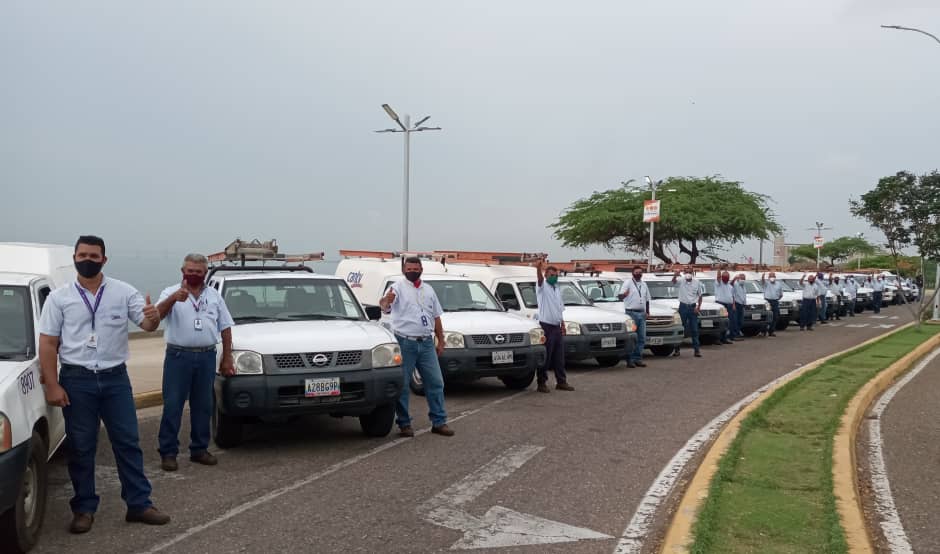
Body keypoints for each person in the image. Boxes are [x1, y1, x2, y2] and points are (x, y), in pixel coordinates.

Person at [37, 236, 171, 534]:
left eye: (94, 255)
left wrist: (154, 315)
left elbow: (148, 325)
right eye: (83, 254)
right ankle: (84, 509)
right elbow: (47, 343)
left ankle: (139, 504)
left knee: (127, 442)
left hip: (115, 380)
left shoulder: (123, 292)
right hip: (76, 380)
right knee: (81, 447)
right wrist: (52, 385)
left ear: (104, 260)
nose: (88, 259)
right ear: (74, 257)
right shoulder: (59, 298)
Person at [154, 254, 235, 471]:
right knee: (173, 405)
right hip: (178, 357)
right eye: (189, 271)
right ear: (182, 271)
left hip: (207, 356)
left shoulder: (215, 296)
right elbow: (155, 317)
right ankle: (168, 453)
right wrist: (173, 299)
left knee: (203, 406)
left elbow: (226, 328)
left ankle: (199, 449)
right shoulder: (170, 292)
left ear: (205, 273)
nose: (194, 275)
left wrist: (226, 357)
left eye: (198, 272)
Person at [379, 256, 454, 436]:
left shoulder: (429, 290)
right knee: (403, 386)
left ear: (421, 269)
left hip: (426, 343)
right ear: (404, 270)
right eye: (409, 269)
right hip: (405, 342)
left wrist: (441, 340)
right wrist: (386, 301)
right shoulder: (397, 287)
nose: (412, 271)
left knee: (436, 382)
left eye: (415, 268)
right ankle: (404, 424)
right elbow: (385, 305)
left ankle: (439, 422)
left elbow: (436, 317)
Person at [534, 260, 575, 391]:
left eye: (556, 275)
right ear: (546, 275)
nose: (554, 277)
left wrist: (562, 323)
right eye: (551, 275)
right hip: (546, 326)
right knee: (546, 356)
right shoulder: (542, 287)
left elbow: (559, 308)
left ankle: (561, 381)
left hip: (556, 326)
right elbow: (540, 280)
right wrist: (538, 269)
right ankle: (541, 383)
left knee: (559, 356)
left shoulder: (557, 288)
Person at [617, 265, 650, 367]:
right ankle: (629, 359)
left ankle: (638, 358)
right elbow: (620, 296)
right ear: (632, 273)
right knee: (632, 338)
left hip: (642, 313)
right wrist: (624, 295)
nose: (638, 274)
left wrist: (647, 312)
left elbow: (647, 299)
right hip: (631, 313)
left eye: (640, 272)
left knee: (642, 338)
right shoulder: (628, 283)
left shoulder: (644, 284)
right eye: (636, 272)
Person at [672, 266, 703, 357]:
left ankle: (696, 350)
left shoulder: (697, 282)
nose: (688, 274)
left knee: (694, 329)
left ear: (692, 273)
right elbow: (673, 282)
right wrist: (675, 275)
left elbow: (700, 296)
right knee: (681, 328)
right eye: (686, 272)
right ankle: (677, 350)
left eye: (689, 272)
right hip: (683, 307)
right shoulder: (681, 280)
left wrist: (698, 307)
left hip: (692, 307)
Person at [713, 271, 735, 345]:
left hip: (729, 305)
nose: (726, 278)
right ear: (722, 277)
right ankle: (717, 338)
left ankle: (725, 338)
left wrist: (733, 304)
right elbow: (718, 277)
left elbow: (733, 296)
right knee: (720, 322)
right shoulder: (718, 283)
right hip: (721, 304)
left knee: (727, 322)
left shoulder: (730, 286)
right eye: (724, 277)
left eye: (727, 277)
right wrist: (719, 269)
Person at [761, 272, 783, 336]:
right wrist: (763, 276)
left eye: (773, 276)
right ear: (768, 277)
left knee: (775, 317)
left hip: (775, 301)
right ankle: (763, 331)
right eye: (770, 276)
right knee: (767, 316)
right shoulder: (766, 283)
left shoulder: (778, 284)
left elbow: (781, 294)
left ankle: (771, 331)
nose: (772, 278)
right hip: (767, 301)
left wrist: (777, 298)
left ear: (775, 277)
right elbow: (763, 281)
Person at [730, 273, 747, 340]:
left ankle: (738, 332)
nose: (742, 280)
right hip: (736, 304)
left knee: (741, 320)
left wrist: (745, 303)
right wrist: (734, 279)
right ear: (738, 279)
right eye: (741, 278)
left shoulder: (744, 286)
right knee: (735, 320)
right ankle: (735, 334)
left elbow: (744, 296)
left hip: (742, 305)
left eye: (744, 278)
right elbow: (731, 284)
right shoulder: (735, 284)